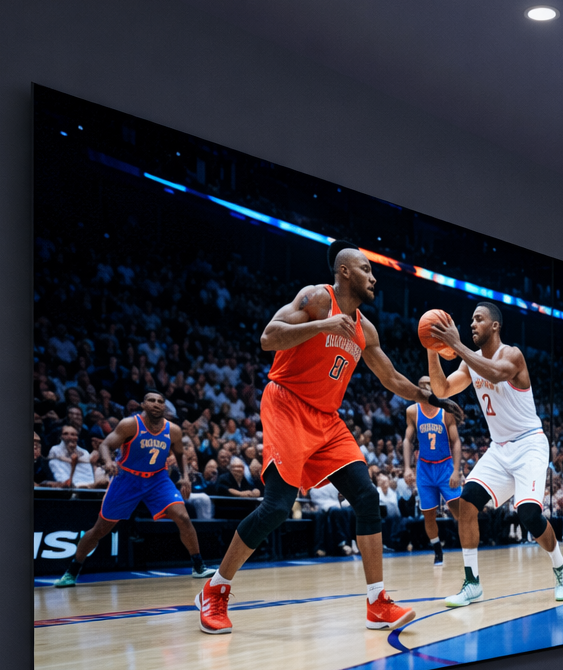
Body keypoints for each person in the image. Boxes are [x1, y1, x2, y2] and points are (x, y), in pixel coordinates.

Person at [196, 241, 463, 634]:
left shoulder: (364, 330)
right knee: (277, 507)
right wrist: (320, 325)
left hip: (326, 419)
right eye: (366, 269)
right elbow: (269, 338)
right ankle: (215, 589)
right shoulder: (317, 298)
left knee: (368, 498)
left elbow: (390, 377)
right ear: (344, 272)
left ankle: (377, 603)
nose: (373, 277)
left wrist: (432, 397)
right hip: (287, 404)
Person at [428, 301, 563, 606]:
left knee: (528, 513)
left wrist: (457, 345)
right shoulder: (470, 361)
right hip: (500, 449)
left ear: (495, 326)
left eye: (479, 319)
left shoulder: (512, 354)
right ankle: (472, 584)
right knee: (466, 503)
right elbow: (441, 390)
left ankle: (560, 566)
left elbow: (494, 374)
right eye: (470, 319)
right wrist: (432, 347)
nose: (472, 324)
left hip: (530, 444)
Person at [54, 391, 214, 586]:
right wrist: (108, 461)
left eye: (160, 401)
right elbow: (105, 445)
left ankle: (198, 566)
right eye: (151, 400)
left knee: (183, 517)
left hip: (157, 479)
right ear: (143, 404)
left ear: (164, 407)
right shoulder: (130, 424)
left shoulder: (173, 430)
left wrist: (185, 477)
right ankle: (72, 570)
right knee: (100, 529)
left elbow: (180, 454)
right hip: (127, 478)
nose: (156, 404)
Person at [403, 375, 462, 565]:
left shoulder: (446, 412)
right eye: (421, 386)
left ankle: (468, 547)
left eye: (428, 384)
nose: (425, 388)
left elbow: (456, 441)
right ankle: (437, 550)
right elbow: (407, 440)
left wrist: (456, 470)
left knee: (459, 510)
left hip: (445, 466)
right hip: (425, 469)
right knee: (429, 513)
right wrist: (407, 468)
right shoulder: (412, 411)